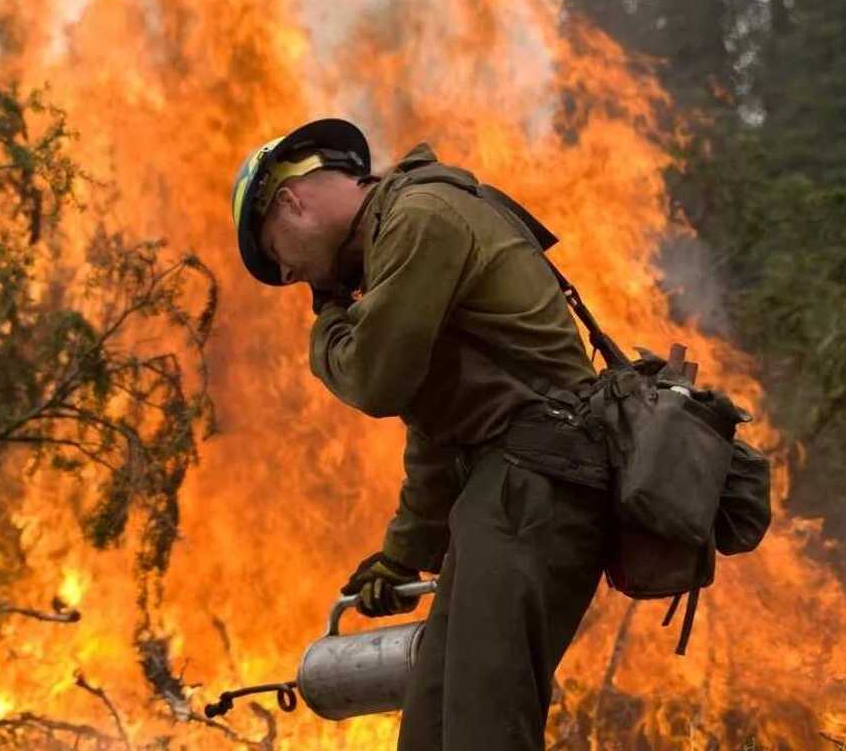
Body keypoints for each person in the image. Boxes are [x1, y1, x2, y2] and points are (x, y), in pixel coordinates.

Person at [229, 119, 614, 750]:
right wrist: (403, 554)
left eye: (278, 255)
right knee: (431, 727)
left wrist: (327, 327)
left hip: (537, 483)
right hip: (506, 488)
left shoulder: (420, 218)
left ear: (291, 203)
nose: (291, 275)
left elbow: (378, 382)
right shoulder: (395, 241)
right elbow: (436, 423)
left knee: (483, 722)